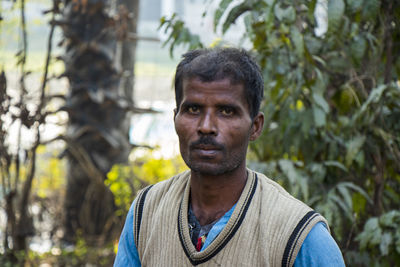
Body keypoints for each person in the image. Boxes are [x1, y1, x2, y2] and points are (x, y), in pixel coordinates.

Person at [114, 48, 345, 266]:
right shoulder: (146, 213)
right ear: (175, 118)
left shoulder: (298, 235)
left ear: (255, 126)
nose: (206, 127)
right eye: (193, 110)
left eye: (226, 111)